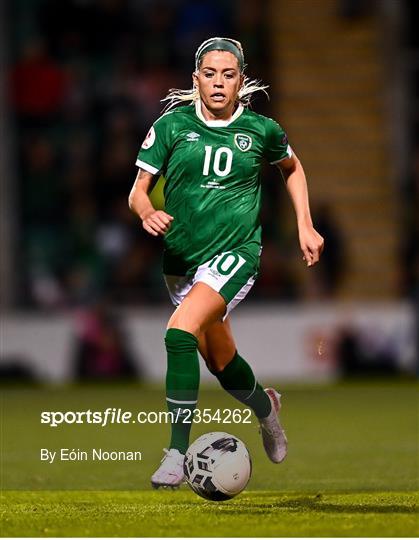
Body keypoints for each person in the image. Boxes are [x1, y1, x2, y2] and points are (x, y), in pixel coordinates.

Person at [129, 37, 324, 488]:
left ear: (241, 81)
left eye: (228, 74)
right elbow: (138, 191)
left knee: (179, 333)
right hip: (182, 261)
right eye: (210, 74)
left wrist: (304, 225)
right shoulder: (172, 126)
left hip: (236, 253)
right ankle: (266, 409)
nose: (219, 82)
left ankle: (176, 455)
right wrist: (146, 212)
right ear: (196, 79)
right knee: (222, 363)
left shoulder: (262, 130)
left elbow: (291, 168)